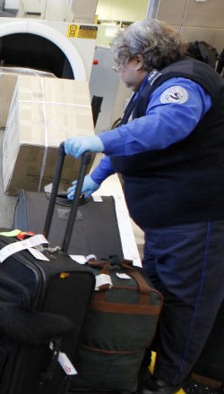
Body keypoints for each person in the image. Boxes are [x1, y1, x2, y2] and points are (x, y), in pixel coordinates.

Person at [63, 19, 224, 394]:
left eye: (119, 65)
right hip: (169, 225)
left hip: (196, 223)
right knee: (159, 297)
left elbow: (165, 127)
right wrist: (96, 176)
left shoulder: (183, 83)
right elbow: (132, 138)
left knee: (186, 306)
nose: (118, 73)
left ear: (138, 59)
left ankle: (165, 382)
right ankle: (143, 371)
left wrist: (99, 139)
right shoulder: (154, 84)